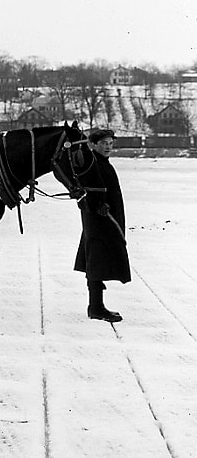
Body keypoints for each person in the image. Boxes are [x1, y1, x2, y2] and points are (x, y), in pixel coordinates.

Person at [74, 128, 130, 322]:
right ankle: (96, 307)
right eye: (104, 143)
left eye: (110, 143)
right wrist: (97, 207)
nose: (108, 147)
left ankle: (96, 306)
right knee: (96, 261)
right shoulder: (91, 164)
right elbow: (81, 193)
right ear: (94, 145)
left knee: (98, 261)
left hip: (106, 220)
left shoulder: (104, 163)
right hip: (97, 221)